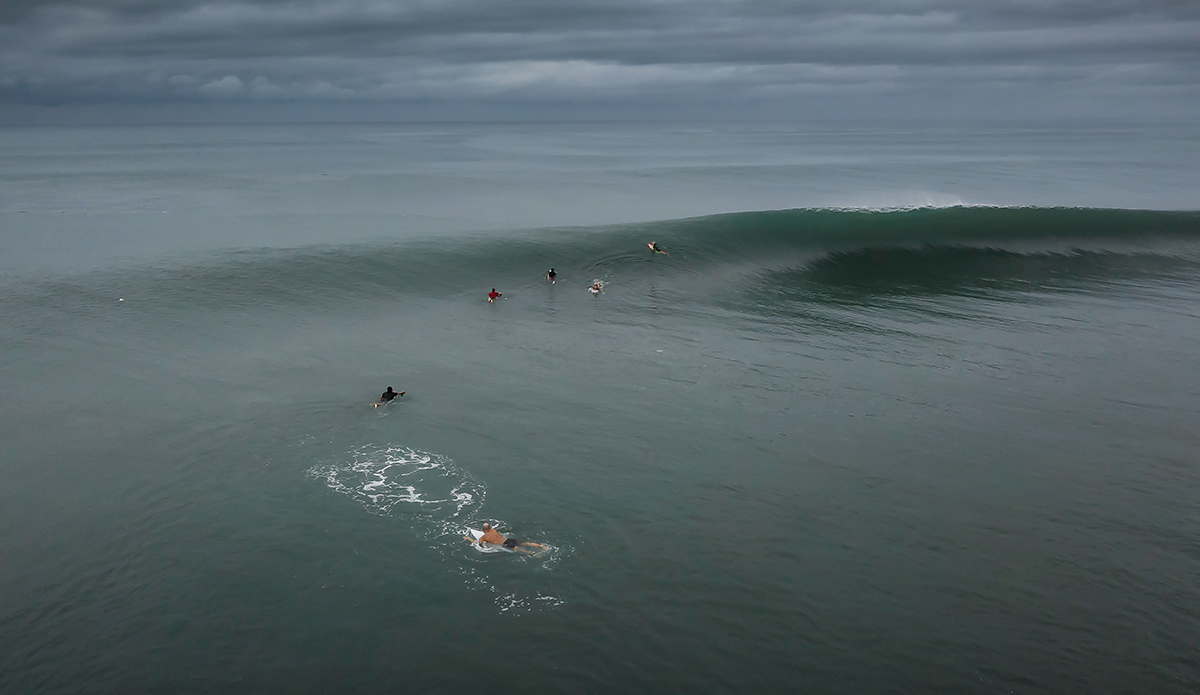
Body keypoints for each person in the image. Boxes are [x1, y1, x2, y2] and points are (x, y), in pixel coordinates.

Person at [465, 523, 546, 553]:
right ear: (489, 528)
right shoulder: (493, 530)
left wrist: (469, 539)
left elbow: (478, 544)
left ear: (483, 530)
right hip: (508, 539)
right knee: (524, 543)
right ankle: (541, 546)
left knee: (518, 549)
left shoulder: (483, 537)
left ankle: (530, 553)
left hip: (505, 544)